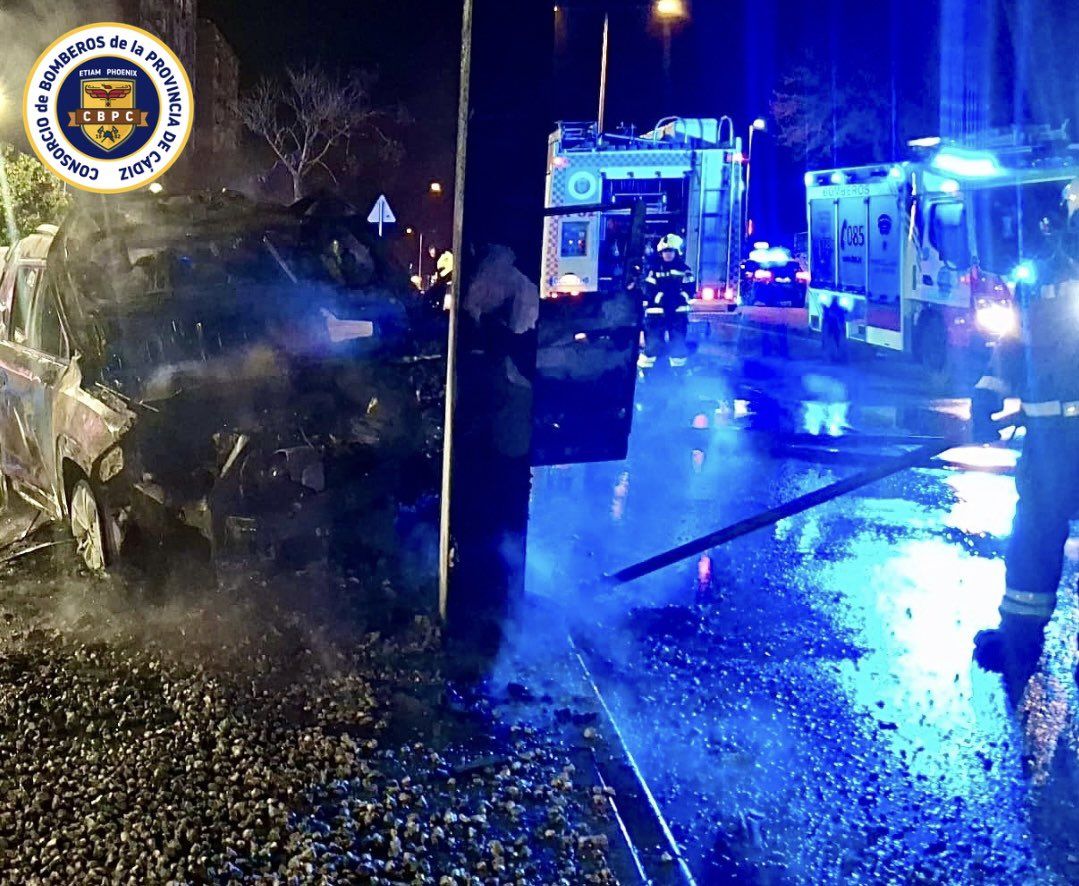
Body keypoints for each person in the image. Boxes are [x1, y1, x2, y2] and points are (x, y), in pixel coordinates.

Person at [972, 178, 1079, 677]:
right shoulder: (1040, 276)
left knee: (1034, 534)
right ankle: (1018, 640)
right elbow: (1014, 339)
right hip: (1047, 442)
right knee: (1032, 538)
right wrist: (987, 391)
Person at [639, 233, 694, 369]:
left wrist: (678, 300)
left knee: (678, 345)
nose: (667, 254)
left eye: (670, 251)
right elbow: (648, 289)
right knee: (653, 343)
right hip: (656, 315)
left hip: (677, 314)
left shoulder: (685, 270)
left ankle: (678, 372)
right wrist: (663, 299)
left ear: (677, 252)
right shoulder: (654, 270)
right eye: (665, 251)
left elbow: (690, 290)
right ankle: (645, 371)